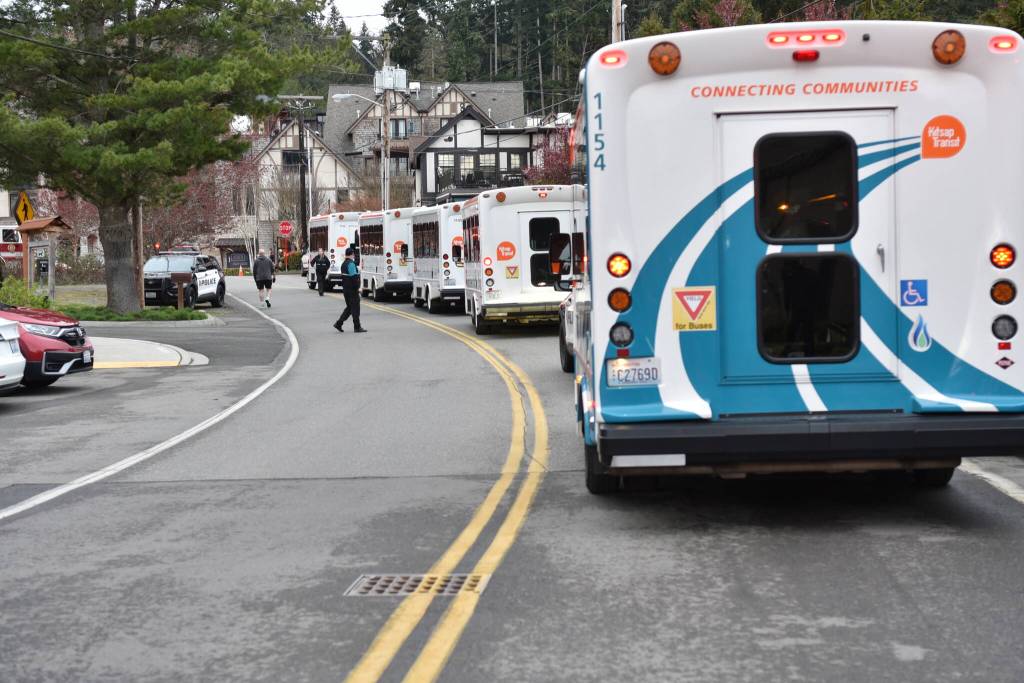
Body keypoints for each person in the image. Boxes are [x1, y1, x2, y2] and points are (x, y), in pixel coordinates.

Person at [334, 247, 366, 333]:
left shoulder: (343, 264)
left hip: (346, 289)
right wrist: (358, 288)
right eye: (353, 254)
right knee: (355, 308)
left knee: (349, 308)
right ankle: (357, 327)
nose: (354, 256)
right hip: (352, 290)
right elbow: (354, 278)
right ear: (352, 254)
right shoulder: (351, 264)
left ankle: (338, 323)